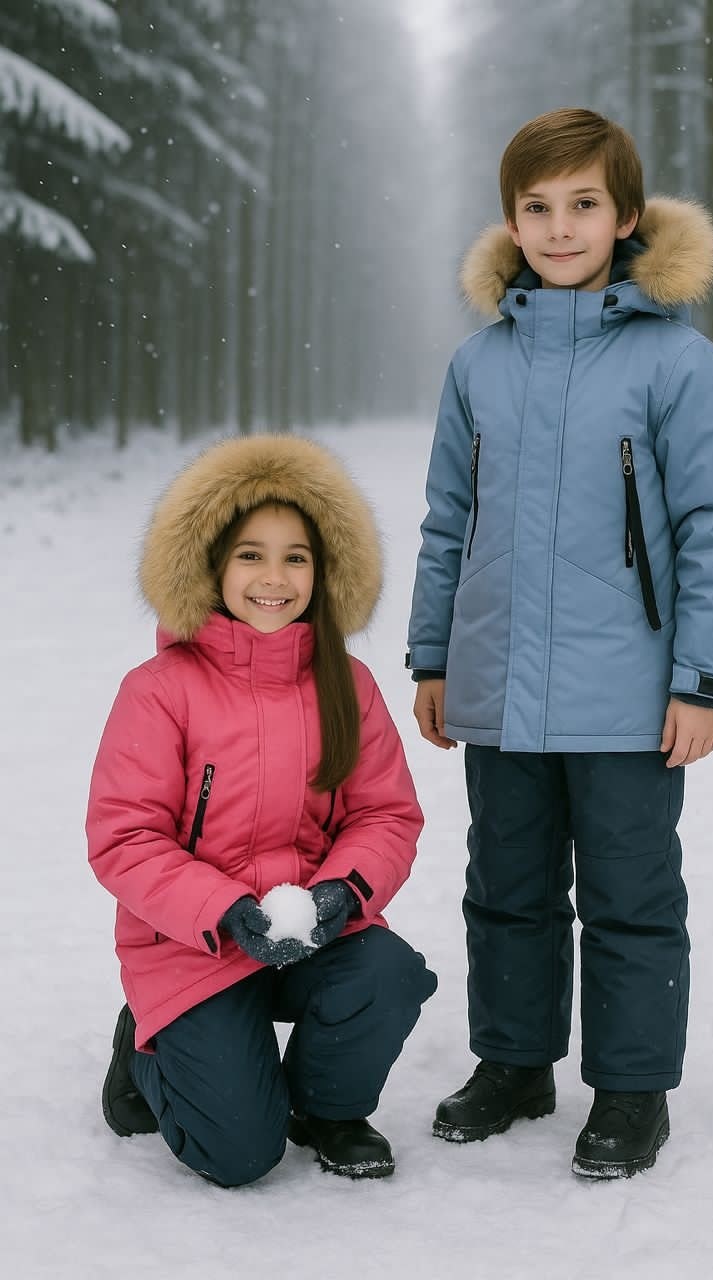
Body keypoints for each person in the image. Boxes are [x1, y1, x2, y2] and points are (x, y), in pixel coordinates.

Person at [406, 108, 713, 1178]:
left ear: (627, 216)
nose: (560, 228)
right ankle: (513, 1063)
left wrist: (700, 679)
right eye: (537, 207)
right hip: (501, 686)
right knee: (503, 883)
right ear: (511, 222)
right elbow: (445, 520)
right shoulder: (479, 363)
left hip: (629, 692)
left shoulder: (674, 360)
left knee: (629, 891)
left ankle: (632, 1088)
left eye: (584, 205)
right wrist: (433, 657)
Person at [88, 434, 437, 1188]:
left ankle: (326, 1108)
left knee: (387, 971)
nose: (273, 578)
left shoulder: (348, 683)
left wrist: (343, 893)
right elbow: (125, 838)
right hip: (194, 943)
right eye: (250, 555)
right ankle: (142, 1050)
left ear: (323, 570)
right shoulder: (160, 688)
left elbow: (385, 816)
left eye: (295, 557)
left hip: (307, 927)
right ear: (210, 565)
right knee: (239, 1155)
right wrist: (223, 908)